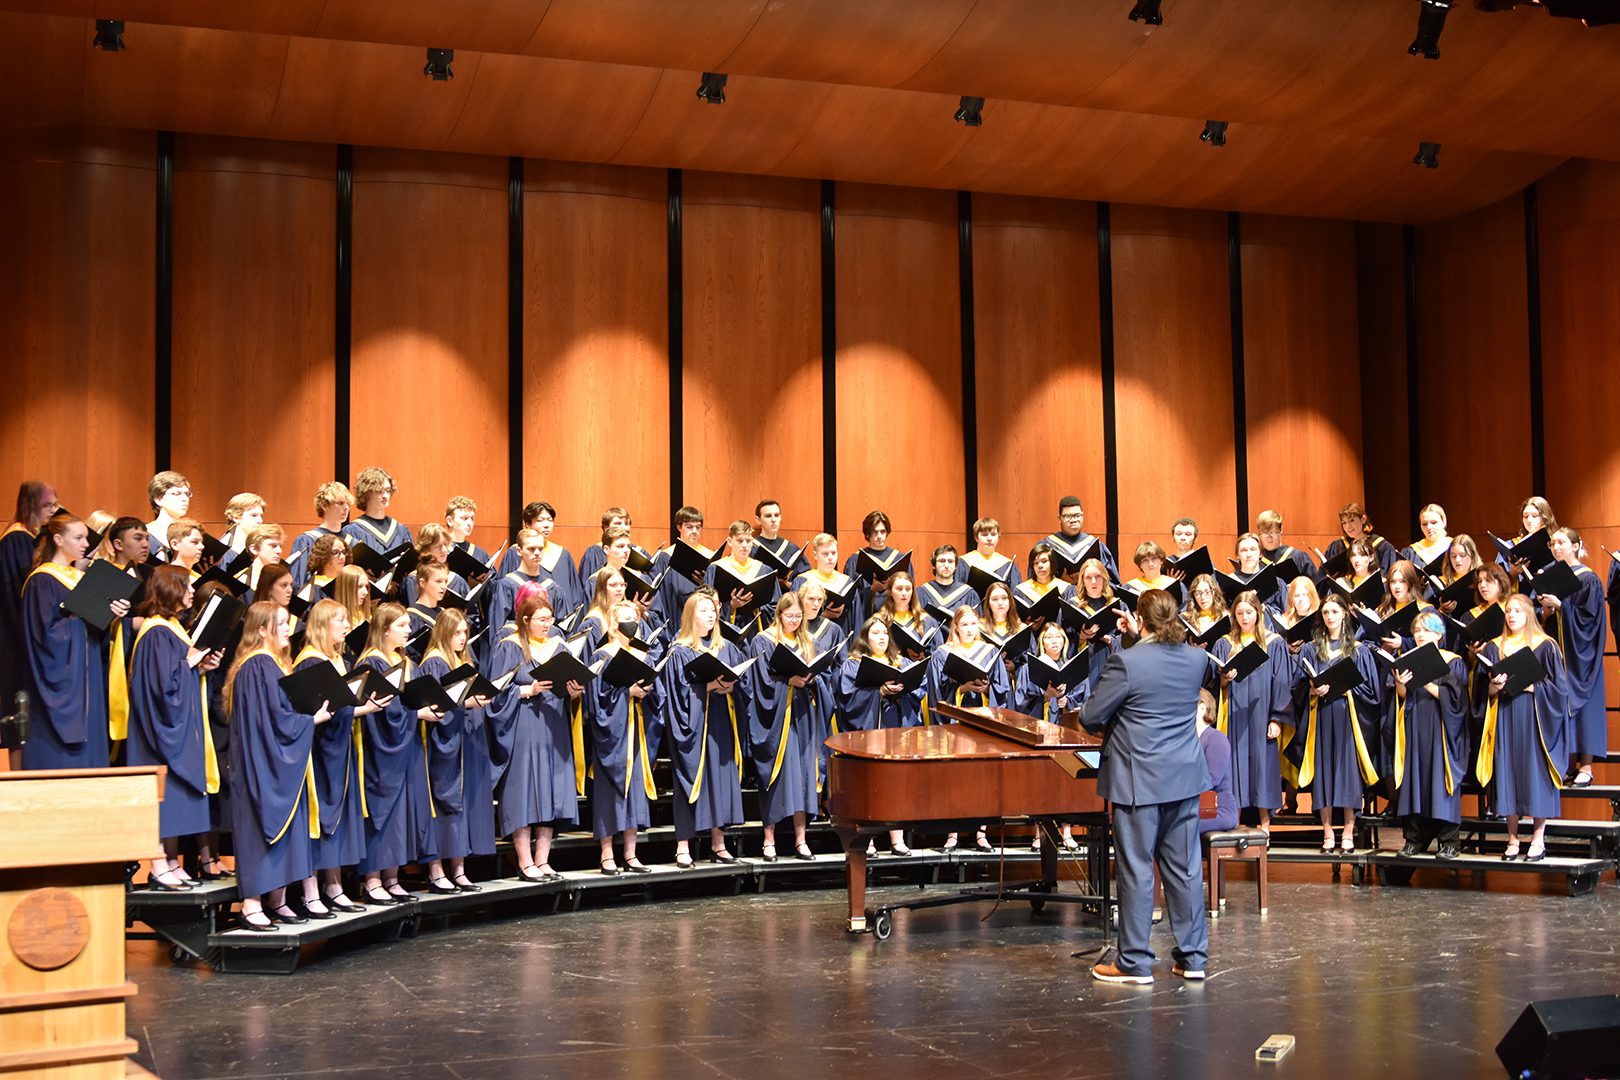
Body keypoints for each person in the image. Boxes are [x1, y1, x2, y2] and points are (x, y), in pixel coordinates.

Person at [1079, 588, 1212, 984]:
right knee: (1186, 870)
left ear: (1139, 618)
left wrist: (1129, 645)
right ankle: (1193, 959)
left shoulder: (1127, 662)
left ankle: (1134, 962)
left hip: (1139, 782)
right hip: (1184, 778)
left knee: (1137, 870)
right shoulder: (1196, 658)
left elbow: (1090, 716)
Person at [223, 601, 333, 930]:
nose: (288, 628)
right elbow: (272, 720)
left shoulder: (272, 664)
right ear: (261, 630)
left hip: (277, 758)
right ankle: (251, 902)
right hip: (261, 764)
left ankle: (276, 898)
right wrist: (310, 720)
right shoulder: (257, 666)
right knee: (259, 828)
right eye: (280, 623)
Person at [127, 565, 224, 889]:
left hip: (177, 726)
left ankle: (169, 860)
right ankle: (156, 862)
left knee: (176, 799)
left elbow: (178, 674)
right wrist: (190, 664)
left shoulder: (171, 627)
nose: (192, 592)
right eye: (187, 586)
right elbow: (161, 689)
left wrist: (200, 666)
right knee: (163, 798)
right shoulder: (155, 631)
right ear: (171, 589)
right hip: (157, 734)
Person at [292, 598, 387, 913]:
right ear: (322, 625)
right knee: (317, 821)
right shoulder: (309, 662)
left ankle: (333, 886)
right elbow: (315, 710)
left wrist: (365, 708)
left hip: (339, 750)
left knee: (337, 821)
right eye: (341, 620)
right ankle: (311, 892)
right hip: (318, 754)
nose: (348, 626)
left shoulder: (337, 659)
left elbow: (341, 708)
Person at [484, 592, 584, 882]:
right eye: (541, 620)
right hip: (524, 726)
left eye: (550, 619)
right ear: (525, 620)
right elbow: (496, 692)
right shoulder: (509, 647)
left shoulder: (559, 646)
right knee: (524, 792)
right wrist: (528, 690)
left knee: (552, 792)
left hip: (554, 724)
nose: (547, 625)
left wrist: (575, 691)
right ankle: (524, 861)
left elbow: (569, 684)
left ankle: (543, 861)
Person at [20, 516, 129, 769]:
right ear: (58, 540)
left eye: (86, 537)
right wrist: (82, 616)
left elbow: (95, 632)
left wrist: (112, 617)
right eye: (78, 537)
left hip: (87, 676)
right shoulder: (43, 580)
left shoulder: (79, 577)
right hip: (65, 683)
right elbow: (45, 637)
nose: (85, 543)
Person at [355, 602, 442, 903]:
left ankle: (391, 876)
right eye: (402, 626)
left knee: (403, 811)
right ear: (384, 629)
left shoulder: (405, 661)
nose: (409, 630)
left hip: (408, 745)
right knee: (384, 811)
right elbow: (381, 709)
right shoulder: (372, 662)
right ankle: (372, 878)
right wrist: (417, 715)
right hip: (383, 749)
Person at [1475, 594, 1570, 861]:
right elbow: (1483, 687)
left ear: (1529, 614)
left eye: (1517, 611)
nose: (1511, 615)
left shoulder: (1545, 646)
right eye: (1507, 611)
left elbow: (1560, 690)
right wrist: (1493, 688)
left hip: (1535, 719)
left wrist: (1533, 688)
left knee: (1535, 774)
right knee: (1509, 772)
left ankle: (1538, 838)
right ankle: (1513, 839)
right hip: (1505, 715)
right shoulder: (1495, 647)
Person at [660, 588, 749, 869]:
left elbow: (743, 683)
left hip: (721, 722)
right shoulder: (680, 652)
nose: (710, 615)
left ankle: (718, 842)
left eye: (713, 610)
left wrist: (732, 687)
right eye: (703, 610)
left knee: (720, 779)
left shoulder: (727, 648)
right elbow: (676, 693)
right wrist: (708, 687)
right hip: (694, 727)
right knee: (691, 780)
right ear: (690, 616)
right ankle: (683, 846)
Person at [1295, 594, 1381, 854]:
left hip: (1348, 717)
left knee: (1347, 773)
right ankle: (1327, 831)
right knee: (1324, 772)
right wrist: (1312, 690)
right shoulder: (1311, 650)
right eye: (1325, 613)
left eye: (1334, 611)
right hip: (1320, 715)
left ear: (1344, 614)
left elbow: (1372, 692)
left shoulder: (1358, 650)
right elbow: (1298, 686)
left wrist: (1347, 690)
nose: (1330, 617)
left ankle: (1347, 830)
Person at [835, 615, 924, 855]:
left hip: (896, 727)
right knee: (870, 784)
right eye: (875, 633)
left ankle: (897, 838)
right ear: (865, 638)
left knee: (896, 783)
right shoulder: (854, 664)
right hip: (870, 731)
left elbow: (919, 688)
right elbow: (847, 699)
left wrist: (904, 688)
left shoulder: (901, 662)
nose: (882, 637)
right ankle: (869, 840)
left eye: (884, 632)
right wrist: (879, 693)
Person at [418, 609, 493, 892]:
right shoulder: (434, 663)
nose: (463, 638)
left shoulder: (462, 661)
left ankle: (459, 869)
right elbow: (437, 706)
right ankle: (436, 870)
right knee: (441, 806)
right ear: (444, 632)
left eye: (465, 633)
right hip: (441, 745)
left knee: (461, 806)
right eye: (457, 633)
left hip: (464, 741)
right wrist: (466, 704)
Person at [589, 598, 664, 874]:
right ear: (613, 624)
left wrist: (648, 691)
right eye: (626, 618)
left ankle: (631, 854)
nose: (633, 623)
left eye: (635, 618)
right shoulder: (602, 656)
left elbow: (659, 696)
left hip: (637, 729)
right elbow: (596, 700)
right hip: (613, 734)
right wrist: (626, 693)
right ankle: (607, 854)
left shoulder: (643, 656)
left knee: (634, 791)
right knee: (610, 793)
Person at [748, 592, 824, 862]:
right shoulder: (763, 641)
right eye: (789, 616)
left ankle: (801, 840)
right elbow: (759, 682)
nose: (794, 621)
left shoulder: (806, 642)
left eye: (798, 616)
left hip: (802, 716)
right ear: (778, 614)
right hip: (776, 719)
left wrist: (812, 679)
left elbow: (819, 677)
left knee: (803, 776)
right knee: (776, 775)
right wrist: (787, 682)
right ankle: (769, 840)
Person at [1387, 611, 1468, 859]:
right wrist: (1401, 681)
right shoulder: (1408, 658)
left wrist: (1424, 682)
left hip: (1441, 728)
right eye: (1416, 631)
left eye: (1425, 630)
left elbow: (1456, 700)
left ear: (1439, 634)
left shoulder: (1452, 661)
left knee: (1440, 780)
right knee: (1415, 781)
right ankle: (1415, 839)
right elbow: (1402, 697)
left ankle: (1449, 842)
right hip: (1415, 725)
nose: (1419, 635)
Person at [1208, 591, 1291, 831]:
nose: (1244, 618)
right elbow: (1217, 685)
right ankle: (1235, 820)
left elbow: (1282, 682)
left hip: (1261, 714)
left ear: (1258, 612)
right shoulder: (1225, 644)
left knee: (1262, 766)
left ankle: (1265, 823)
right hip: (1235, 715)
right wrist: (1225, 679)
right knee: (1234, 766)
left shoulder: (1273, 644)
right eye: (1239, 613)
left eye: (1249, 612)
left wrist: (1276, 718)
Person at [1536, 526, 1606, 787]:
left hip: (1583, 656)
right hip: (1560, 655)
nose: (1556, 547)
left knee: (1586, 709)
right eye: (1553, 544)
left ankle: (1586, 766)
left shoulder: (1589, 580)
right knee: (1561, 705)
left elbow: (1589, 620)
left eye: (1561, 543)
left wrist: (1561, 607)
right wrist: (1546, 612)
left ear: (1575, 546)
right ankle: (1566, 762)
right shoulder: (1552, 577)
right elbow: (1547, 621)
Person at [1033, 495, 1118, 583]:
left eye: (1077, 515)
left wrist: (1086, 579)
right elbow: (1034, 584)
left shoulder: (1097, 546)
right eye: (1068, 516)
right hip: (1057, 595)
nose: (1073, 520)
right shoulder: (1046, 546)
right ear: (1059, 518)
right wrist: (1061, 581)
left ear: (1083, 516)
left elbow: (1112, 583)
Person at [289, 482, 353, 586]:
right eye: (340, 503)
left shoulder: (351, 541)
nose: (346, 508)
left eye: (348, 504)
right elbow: (297, 581)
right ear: (324, 505)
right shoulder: (307, 541)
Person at [1195, 689, 1239, 835]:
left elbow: (1211, 779)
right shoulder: (1190, 741)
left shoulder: (1215, 738)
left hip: (1219, 810)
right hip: (1197, 807)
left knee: (1179, 826)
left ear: (1202, 708)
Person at [342, 467, 412, 556]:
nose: (385, 496)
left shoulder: (401, 530)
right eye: (379, 491)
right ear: (366, 492)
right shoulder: (352, 531)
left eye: (387, 490)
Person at [959, 516, 1021, 600]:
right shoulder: (963, 563)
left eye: (993, 534)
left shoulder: (1007, 565)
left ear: (998, 538)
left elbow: (1014, 596)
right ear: (976, 538)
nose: (989, 538)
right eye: (984, 535)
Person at [145, 471, 192, 562]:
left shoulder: (191, 533)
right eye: (177, 494)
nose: (184, 499)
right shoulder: (147, 534)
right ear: (158, 499)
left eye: (187, 494)